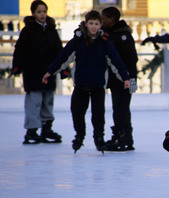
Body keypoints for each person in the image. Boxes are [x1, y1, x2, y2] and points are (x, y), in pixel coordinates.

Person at [42, 10, 130, 154]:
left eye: (96, 23)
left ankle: (99, 137)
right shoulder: (78, 40)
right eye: (91, 23)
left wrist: (125, 78)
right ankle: (79, 135)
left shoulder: (105, 42)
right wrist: (50, 72)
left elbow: (116, 61)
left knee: (98, 115)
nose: (94, 27)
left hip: (98, 86)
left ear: (101, 25)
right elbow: (63, 57)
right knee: (77, 112)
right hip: (80, 85)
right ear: (86, 23)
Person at [12, 0, 65, 144]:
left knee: (48, 101)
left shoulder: (51, 30)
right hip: (33, 72)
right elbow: (20, 49)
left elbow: (59, 52)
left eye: (44, 11)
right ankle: (32, 130)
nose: (42, 14)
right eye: (39, 12)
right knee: (34, 102)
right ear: (33, 13)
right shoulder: (28, 30)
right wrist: (17, 66)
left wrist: (63, 70)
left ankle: (46, 128)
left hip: (49, 73)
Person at [101, 6, 138, 151]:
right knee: (120, 108)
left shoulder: (121, 36)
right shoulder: (112, 34)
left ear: (112, 19)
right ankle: (125, 138)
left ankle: (123, 138)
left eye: (104, 19)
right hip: (119, 79)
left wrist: (131, 79)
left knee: (121, 109)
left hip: (124, 80)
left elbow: (131, 59)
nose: (102, 22)